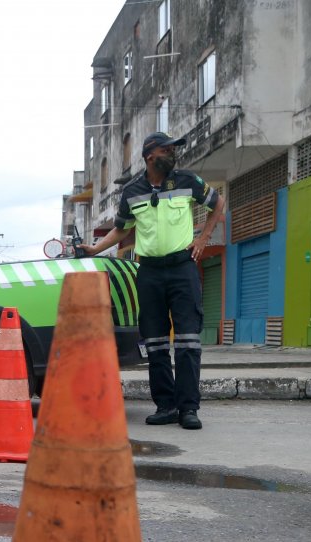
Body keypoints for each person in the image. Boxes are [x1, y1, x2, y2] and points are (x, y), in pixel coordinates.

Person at [80, 132, 226, 430]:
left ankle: (188, 408)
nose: (173, 154)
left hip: (182, 268)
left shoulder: (187, 181)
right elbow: (122, 229)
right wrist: (95, 249)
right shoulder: (132, 191)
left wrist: (204, 237)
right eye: (167, 149)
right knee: (156, 342)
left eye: (173, 149)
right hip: (148, 272)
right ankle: (166, 405)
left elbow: (217, 203)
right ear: (150, 156)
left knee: (187, 340)